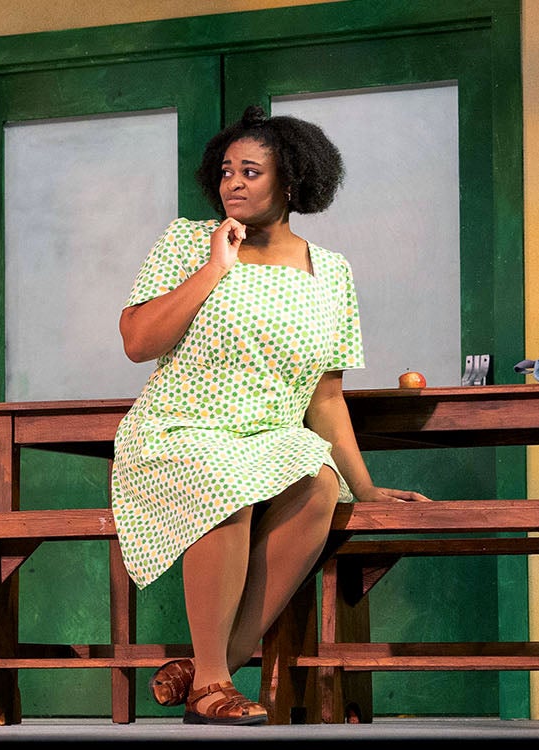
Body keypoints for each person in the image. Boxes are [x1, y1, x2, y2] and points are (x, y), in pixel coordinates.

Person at [114, 105, 429, 725]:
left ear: (291, 181)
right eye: (226, 170)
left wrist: (366, 490)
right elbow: (137, 342)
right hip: (180, 429)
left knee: (319, 486)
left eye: (251, 171)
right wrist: (215, 267)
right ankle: (210, 688)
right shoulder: (185, 241)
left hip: (273, 437)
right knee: (226, 477)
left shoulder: (329, 271)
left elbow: (325, 397)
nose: (234, 182)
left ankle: (212, 664)